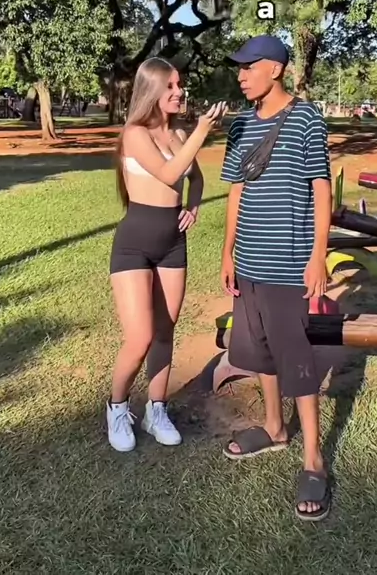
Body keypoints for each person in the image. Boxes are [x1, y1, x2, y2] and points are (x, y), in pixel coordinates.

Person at [220, 35, 332, 521]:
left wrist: (317, 255)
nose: (241, 75)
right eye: (239, 67)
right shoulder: (241, 125)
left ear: (276, 69)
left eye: (249, 67)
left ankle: (313, 459)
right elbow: (236, 191)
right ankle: (273, 428)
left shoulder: (306, 119)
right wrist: (228, 251)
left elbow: (321, 189)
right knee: (260, 350)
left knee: (296, 358)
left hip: (288, 265)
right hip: (249, 261)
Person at [107, 57, 226, 452]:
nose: (179, 91)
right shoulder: (135, 134)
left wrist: (194, 205)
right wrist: (203, 130)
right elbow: (170, 173)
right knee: (140, 336)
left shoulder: (176, 134)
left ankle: (156, 410)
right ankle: (117, 407)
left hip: (173, 244)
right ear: (152, 90)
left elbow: (195, 176)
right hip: (134, 245)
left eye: (180, 84)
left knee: (164, 331)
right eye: (171, 86)